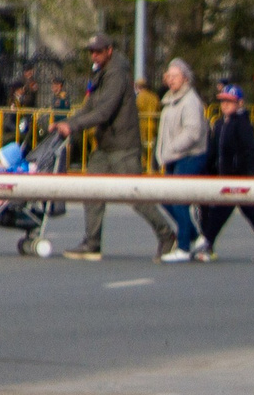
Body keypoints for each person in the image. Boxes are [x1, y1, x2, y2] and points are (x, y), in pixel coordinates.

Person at [58, 35, 172, 261]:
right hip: (105, 145)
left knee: (135, 197)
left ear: (109, 50)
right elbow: (89, 105)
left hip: (123, 146)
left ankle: (167, 235)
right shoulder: (101, 73)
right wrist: (67, 123)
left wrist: (74, 126)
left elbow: (104, 111)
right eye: (91, 51)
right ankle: (92, 243)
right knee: (91, 191)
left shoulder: (117, 74)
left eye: (98, 51)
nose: (94, 55)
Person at [195, 85, 254, 261]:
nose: (225, 105)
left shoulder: (242, 124)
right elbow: (214, 152)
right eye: (223, 101)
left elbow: (250, 150)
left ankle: (207, 243)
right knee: (249, 211)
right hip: (224, 177)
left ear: (240, 103)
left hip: (239, 177)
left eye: (230, 102)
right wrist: (208, 171)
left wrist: (253, 174)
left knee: (222, 211)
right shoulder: (219, 123)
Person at [151, 59, 208, 259]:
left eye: (175, 76)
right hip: (173, 157)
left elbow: (193, 133)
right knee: (166, 198)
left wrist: (172, 149)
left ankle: (184, 247)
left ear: (185, 78)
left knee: (178, 201)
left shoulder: (190, 101)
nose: (171, 80)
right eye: (169, 76)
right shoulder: (170, 99)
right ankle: (195, 236)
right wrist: (161, 154)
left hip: (190, 156)